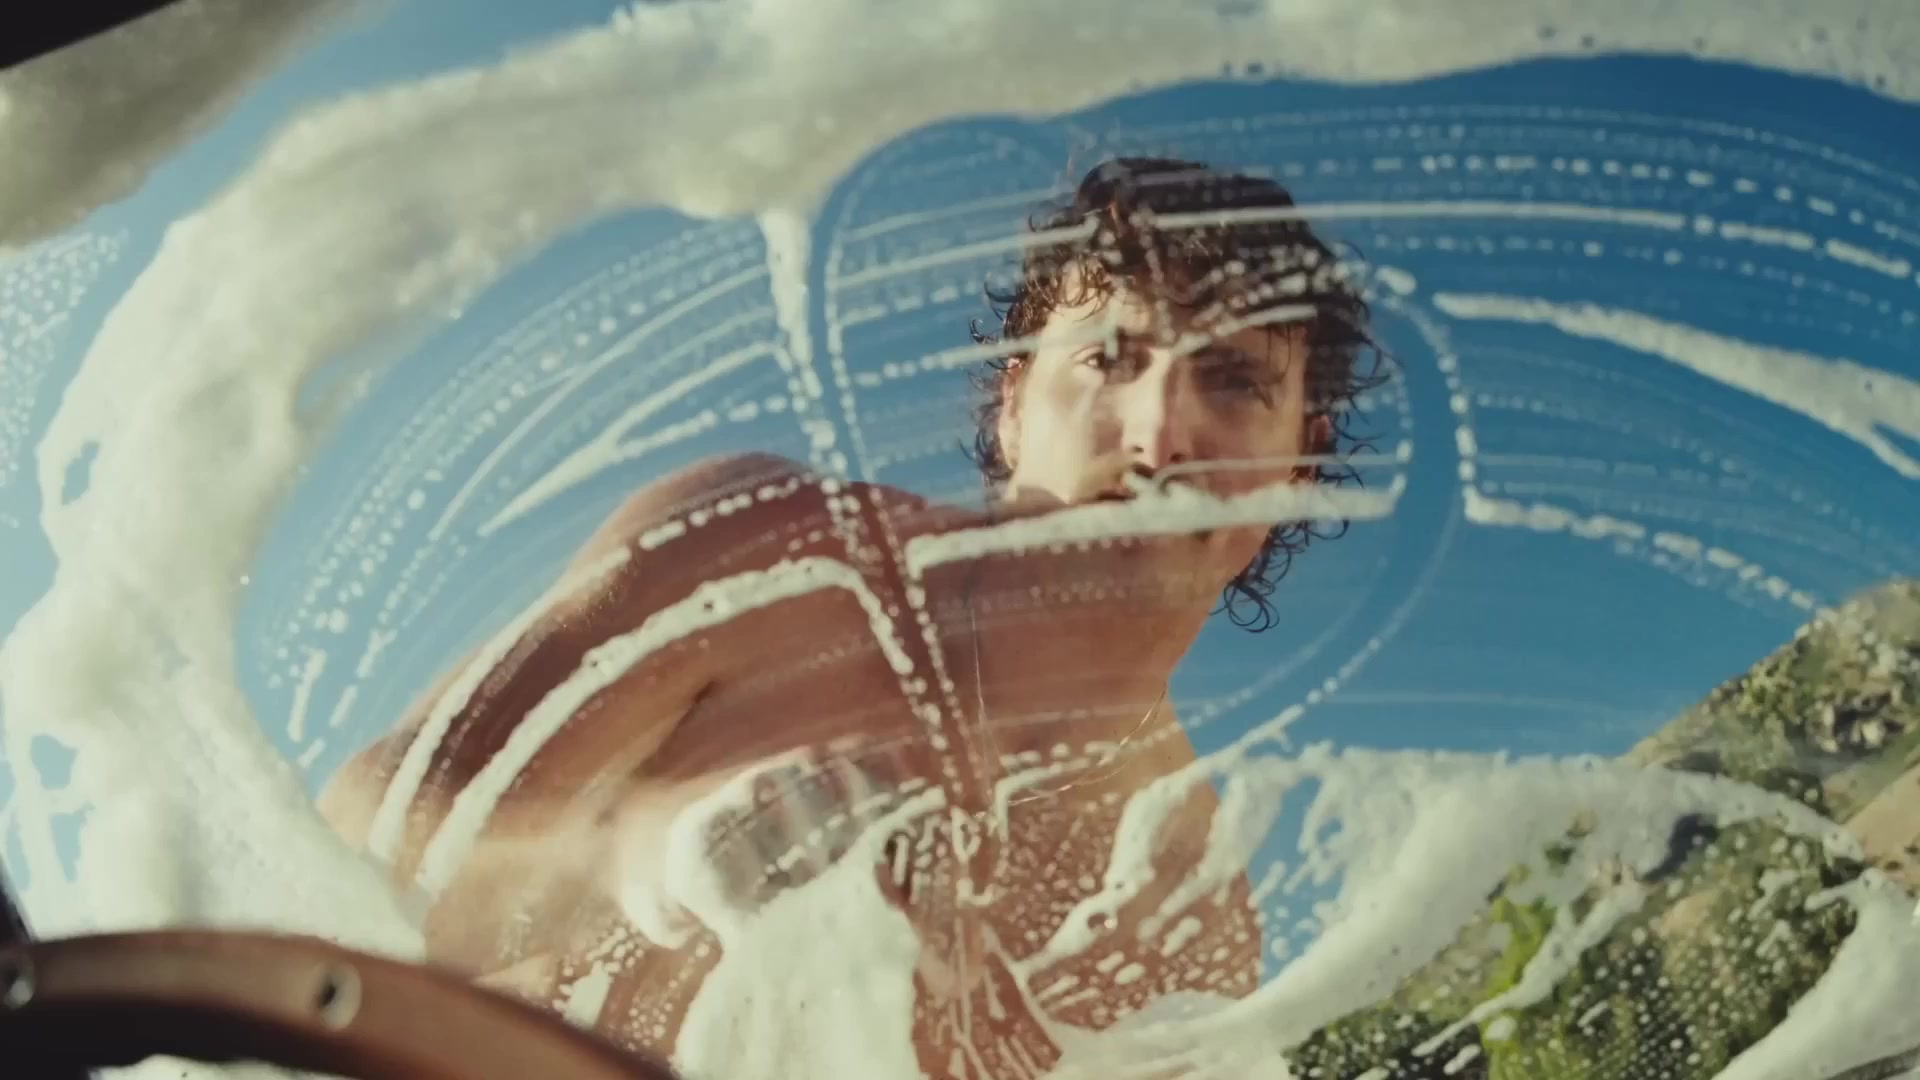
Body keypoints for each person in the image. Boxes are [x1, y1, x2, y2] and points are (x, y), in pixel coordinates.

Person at [318, 156, 1380, 1077]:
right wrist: (641, 861)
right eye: (1109, 357)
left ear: (1300, 468)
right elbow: (359, 837)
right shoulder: (769, 556)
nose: (1160, 435)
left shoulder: (1191, 904)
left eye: (1233, 382)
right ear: (1014, 405)